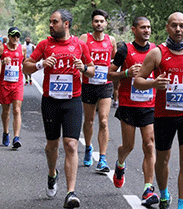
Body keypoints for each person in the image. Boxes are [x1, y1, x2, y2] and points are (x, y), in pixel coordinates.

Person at [23, 9, 95, 208]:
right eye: (50, 22)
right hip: (51, 101)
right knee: (52, 146)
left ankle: (71, 193)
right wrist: (40, 64)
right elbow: (25, 67)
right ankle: (52, 173)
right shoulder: (45, 44)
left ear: (66, 24)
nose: (50, 25)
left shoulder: (80, 45)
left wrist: (84, 69)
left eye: (54, 22)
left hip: (72, 101)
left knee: (71, 145)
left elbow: (92, 70)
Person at [134, 12, 183, 209]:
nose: (178, 29)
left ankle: (182, 206)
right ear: (167, 27)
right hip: (164, 114)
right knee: (163, 159)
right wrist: (154, 83)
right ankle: (164, 193)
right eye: (174, 25)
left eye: (182, 25)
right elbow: (138, 81)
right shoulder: (157, 53)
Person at [107, 16, 159, 208]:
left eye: (149, 27)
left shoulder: (155, 50)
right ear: (134, 29)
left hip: (149, 104)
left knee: (149, 144)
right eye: (143, 27)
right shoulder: (124, 50)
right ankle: (120, 163)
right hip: (129, 104)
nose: (146, 30)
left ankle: (147, 189)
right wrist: (126, 73)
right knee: (128, 146)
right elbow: (109, 74)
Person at [79, 9, 117, 173]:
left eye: (102, 21)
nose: (99, 24)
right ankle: (88, 148)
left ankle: (102, 158)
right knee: (89, 121)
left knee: (103, 120)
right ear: (92, 23)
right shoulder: (84, 38)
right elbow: (78, 56)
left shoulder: (111, 40)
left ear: (106, 24)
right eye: (96, 21)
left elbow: (115, 59)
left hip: (105, 84)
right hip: (88, 83)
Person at [0, 27, 26, 148]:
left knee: (17, 110)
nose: (16, 38)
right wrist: (2, 61)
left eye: (18, 36)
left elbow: (26, 63)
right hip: (4, 83)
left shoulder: (22, 48)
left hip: (17, 83)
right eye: (13, 35)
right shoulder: (2, 48)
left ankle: (16, 138)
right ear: (8, 36)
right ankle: (6, 132)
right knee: (6, 111)